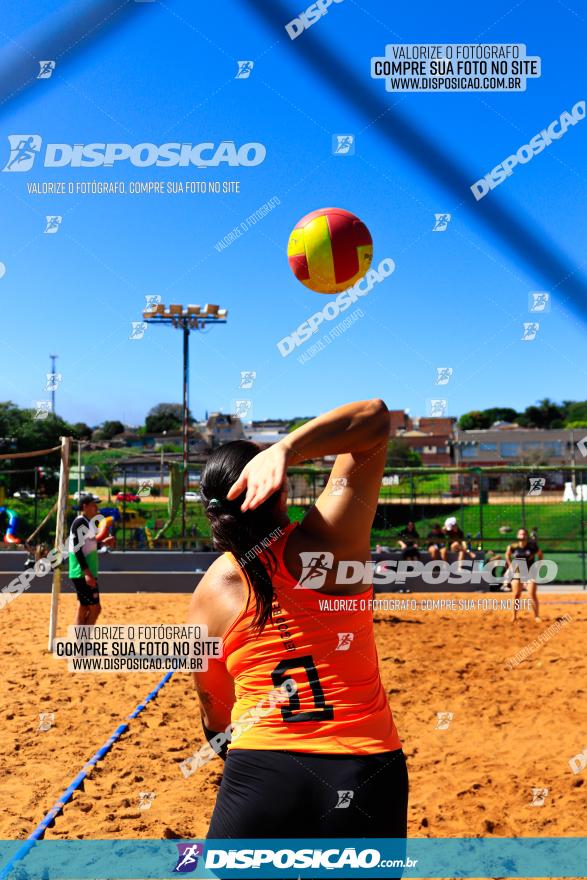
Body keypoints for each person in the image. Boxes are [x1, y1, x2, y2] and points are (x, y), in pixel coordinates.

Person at [187, 399, 408, 860]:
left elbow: (215, 713)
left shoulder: (209, 593)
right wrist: (287, 447)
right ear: (279, 486)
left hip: (262, 772)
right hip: (362, 766)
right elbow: (374, 420)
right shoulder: (329, 543)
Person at [68, 495, 114, 626]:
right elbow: (77, 549)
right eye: (94, 504)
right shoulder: (80, 522)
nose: (97, 507)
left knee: (83, 607)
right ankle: (82, 643)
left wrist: (102, 544)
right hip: (82, 572)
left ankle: (80, 644)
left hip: (84, 571)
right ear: (85, 507)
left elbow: (88, 545)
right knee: (95, 608)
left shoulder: (87, 522)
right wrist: (87, 573)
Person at [506, 528, 543, 622]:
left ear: (527, 536)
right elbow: (507, 555)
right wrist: (510, 566)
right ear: (517, 536)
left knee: (532, 594)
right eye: (520, 534)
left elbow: (540, 555)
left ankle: (536, 616)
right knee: (516, 595)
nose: (522, 536)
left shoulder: (532, 546)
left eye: (524, 534)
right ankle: (514, 616)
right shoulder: (513, 546)